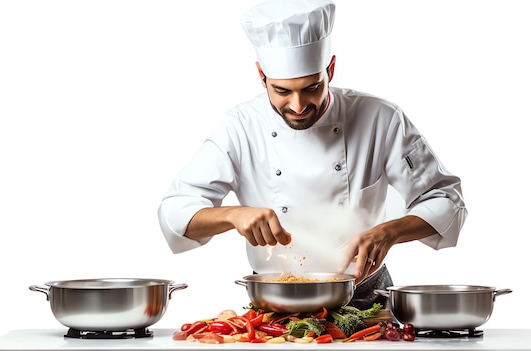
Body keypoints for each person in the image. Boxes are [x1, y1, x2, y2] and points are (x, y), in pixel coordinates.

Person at [158, 0, 467, 309]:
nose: (297, 105)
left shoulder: (380, 118)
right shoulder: (240, 127)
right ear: (261, 75)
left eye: (311, 87)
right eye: (281, 91)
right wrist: (232, 215)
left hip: (366, 298)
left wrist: (389, 231)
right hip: (275, 301)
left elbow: (447, 201)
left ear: (330, 69)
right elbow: (174, 213)